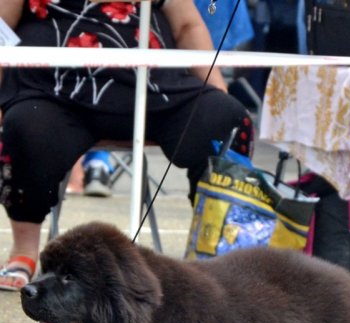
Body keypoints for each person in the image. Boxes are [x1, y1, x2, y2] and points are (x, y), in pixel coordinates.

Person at [0, 0, 253, 291]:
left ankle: (214, 250)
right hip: (53, 91)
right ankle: (24, 250)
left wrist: (217, 85)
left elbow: (187, 25)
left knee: (227, 119)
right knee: (25, 127)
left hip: (155, 90)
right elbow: (1, 26)